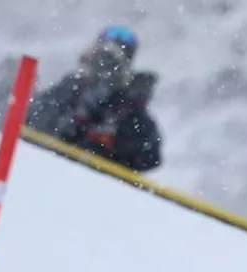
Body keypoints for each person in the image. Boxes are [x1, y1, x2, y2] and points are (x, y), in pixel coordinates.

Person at [24, 26, 162, 172]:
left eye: (113, 64)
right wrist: (69, 123)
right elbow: (31, 117)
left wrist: (111, 142)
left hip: (97, 183)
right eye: (101, 59)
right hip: (51, 169)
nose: (105, 70)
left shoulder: (129, 106)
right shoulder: (71, 88)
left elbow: (150, 156)